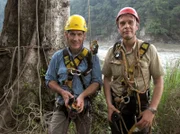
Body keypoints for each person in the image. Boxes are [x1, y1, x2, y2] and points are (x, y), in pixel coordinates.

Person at [102, 7, 164, 134]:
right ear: (118, 28)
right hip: (118, 109)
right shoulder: (112, 52)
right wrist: (109, 105)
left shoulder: (149, 50)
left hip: (141, 109)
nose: (126, 26)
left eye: (130, 22)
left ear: (137, 26)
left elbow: (158, 81)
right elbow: (107, 79)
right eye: (122, 23)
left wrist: (151, 111)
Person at [45, 14, 102, 134]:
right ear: (66, 35)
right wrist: (62, 92)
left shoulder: (92, 57)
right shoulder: (57, 57)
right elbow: (49, 80)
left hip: (84, 105)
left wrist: (82, 96)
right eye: (72, 34)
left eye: (79, 34)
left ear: (84, 36)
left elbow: (96, 82)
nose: (76, 38)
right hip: (62, 104)